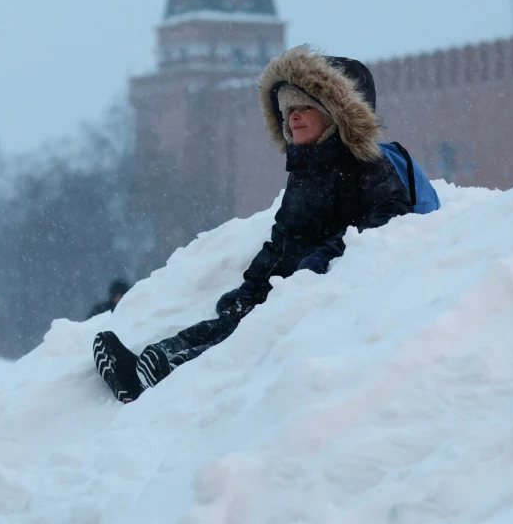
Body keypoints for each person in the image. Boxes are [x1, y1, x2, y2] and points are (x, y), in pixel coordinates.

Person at [93, 46, 413, 402]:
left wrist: (321, 262)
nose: (293, 116)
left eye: (305, 107)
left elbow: (385, 222)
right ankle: (148, 365)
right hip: (284, 288)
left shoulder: (369, 167)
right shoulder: (305, 175)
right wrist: (253, 287)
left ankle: (170, 376)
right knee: (228, 322)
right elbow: (281, 241)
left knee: (241, 344)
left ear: (337, 114)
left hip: (319, 297)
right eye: (287, 110)